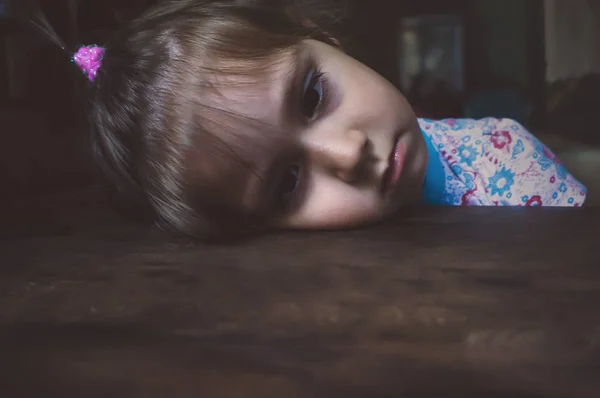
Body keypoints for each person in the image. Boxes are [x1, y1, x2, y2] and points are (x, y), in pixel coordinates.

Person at [36, 0, 587, 240]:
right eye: (288, 184)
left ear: (322, 38)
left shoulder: (513, 159)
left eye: (312, 95)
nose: (348, 153)